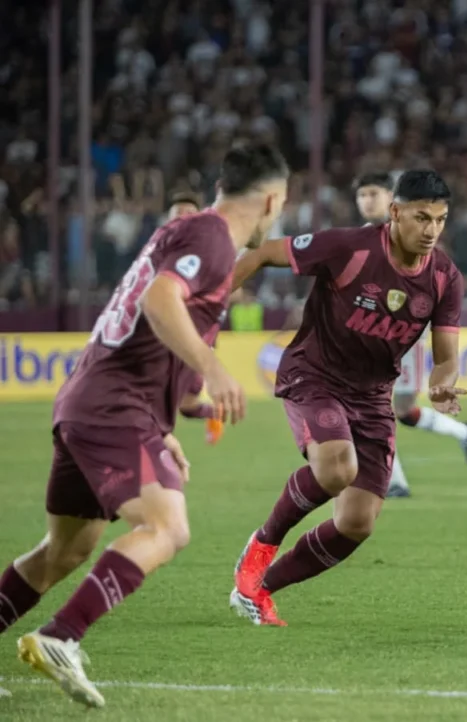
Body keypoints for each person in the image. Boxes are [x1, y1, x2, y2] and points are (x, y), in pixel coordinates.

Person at [0, 143, 289, 708]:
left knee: (64, 550)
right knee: (167, 527)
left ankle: (56, 632)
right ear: (273, 200)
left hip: (92, 403)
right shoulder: (211, 238)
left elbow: (155, 340)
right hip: (114, 406)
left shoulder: (189, 235)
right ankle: (62, 635)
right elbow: (159, 300)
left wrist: (167, 427)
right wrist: (214, 369)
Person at [228, 170, 467, 626]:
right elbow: (262, 253)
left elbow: (447, 358)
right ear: (395, 213)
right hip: (314, 375)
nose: (432, 230)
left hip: (373, 396)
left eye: (440, 219)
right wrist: (212, 301)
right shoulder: (349, 247)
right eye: (422, 218)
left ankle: (259, 589)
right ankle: (262, 544)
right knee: (337, 468)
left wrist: (442, 382)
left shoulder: (444, 277)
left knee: (357, 523)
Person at [353, 172, 467, 499]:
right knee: (381, 408)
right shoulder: (360, 239)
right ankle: (397, 480)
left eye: (374, 194)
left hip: (406, 337)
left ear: (391, 199)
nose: (367, 201)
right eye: (362, 195)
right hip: (375, 336)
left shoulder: (414, 232)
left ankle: (457, 436)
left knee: (395, 410)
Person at [165, 191, 227, 445]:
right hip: (166, 336)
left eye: (188, 213)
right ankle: (214, 413)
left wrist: (207, 344)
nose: (182, 218)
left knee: (167, 404)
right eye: (177, 214)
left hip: (190, 341)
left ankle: (156, 450)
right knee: (186, 407)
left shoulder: (207, 254)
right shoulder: (158, 252)